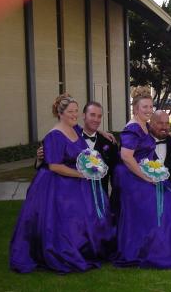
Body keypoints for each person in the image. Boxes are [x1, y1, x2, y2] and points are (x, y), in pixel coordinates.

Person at [10, 94, 114, 273]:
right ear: (61, 113)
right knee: (65, 219)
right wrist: (81, 175)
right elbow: (55, 166)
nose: (75, 114)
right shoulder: (54, 135)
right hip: (56, 185)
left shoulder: (75, 129)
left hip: (76, 182)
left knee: (91, 215)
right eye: (71, 111)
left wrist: (102, 133)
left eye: (76, 111)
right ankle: (66, 251)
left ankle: (88, 249)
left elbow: (85, 141)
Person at [112, 87, 171, 269]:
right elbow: (127, 157)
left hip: (146, 174)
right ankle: (154, 250)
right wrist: (145, 177)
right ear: (135, 109)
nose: (148, 110)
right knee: (164, 207)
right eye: (144, 107)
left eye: (150, 106)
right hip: (132, 176)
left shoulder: (143, 125)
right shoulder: (132, 128)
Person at [34, 101, 118, 194]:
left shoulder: (109, 142)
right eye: (92, 115)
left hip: (99, 195)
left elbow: (115, 175)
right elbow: (50, 165)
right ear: (83, 116)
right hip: (70, 193)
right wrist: (39, 159)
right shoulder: (67, 135)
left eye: (99, 116)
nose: (96, 119)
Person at [149, 110, 171, 177]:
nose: (164, 127)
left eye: (167, 123)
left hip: (169, 184)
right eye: (160, 123)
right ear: (151, 124)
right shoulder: (142, 141)